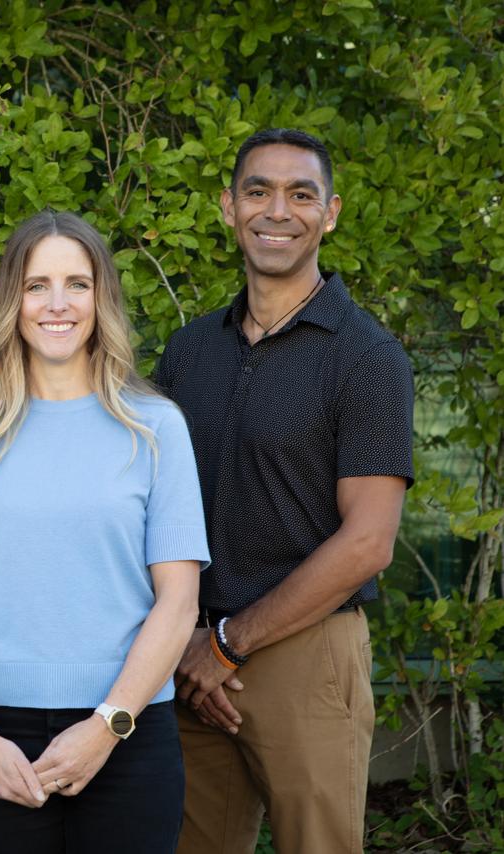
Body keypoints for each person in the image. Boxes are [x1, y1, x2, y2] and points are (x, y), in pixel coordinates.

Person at [158, 129, 413, 854]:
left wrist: (232, 644)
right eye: (258, 191)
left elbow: (368, 542)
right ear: (228, 208)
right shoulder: (190, 349)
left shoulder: (366, 356)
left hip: (304, 652)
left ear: (329, 213)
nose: (278, 211)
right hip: (189, 651)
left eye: (301, 194)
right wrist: (193, 642)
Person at [0, 210, 209, 853]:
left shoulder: (156, 426)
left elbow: (178, 601)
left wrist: (107, 727)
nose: (58, 304)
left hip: (130, 729)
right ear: (11, 302)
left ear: (101, 297)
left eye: (77, 284)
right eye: (36, 286)